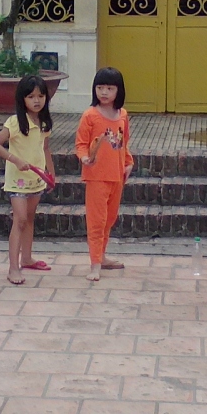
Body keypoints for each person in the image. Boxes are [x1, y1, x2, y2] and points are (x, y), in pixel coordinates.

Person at [0, 74, 56, 285]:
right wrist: (15, 160)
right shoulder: (15, 122)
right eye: (31, 96)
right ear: (22, 98)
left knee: (29, 218)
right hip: (17, 180)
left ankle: (26, 258)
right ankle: (13, 268)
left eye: (40, 96)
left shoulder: (44, 122)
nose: (36, 100)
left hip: (36, 179)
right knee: (19, 220)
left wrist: (51, 173)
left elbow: (45, 148)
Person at [76, 66, 133, 282]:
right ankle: (95, 264)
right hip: (96, 176)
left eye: (110, 88)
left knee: (109, 219)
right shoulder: (90, 116)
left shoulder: (122, 115)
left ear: (119, 90)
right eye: (100, 87)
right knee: (96, 221)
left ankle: (102, 256)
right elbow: (81, 144)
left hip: (117, 175)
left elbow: (124, 142)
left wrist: (128, 162)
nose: (104, 92)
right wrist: (84, 158)